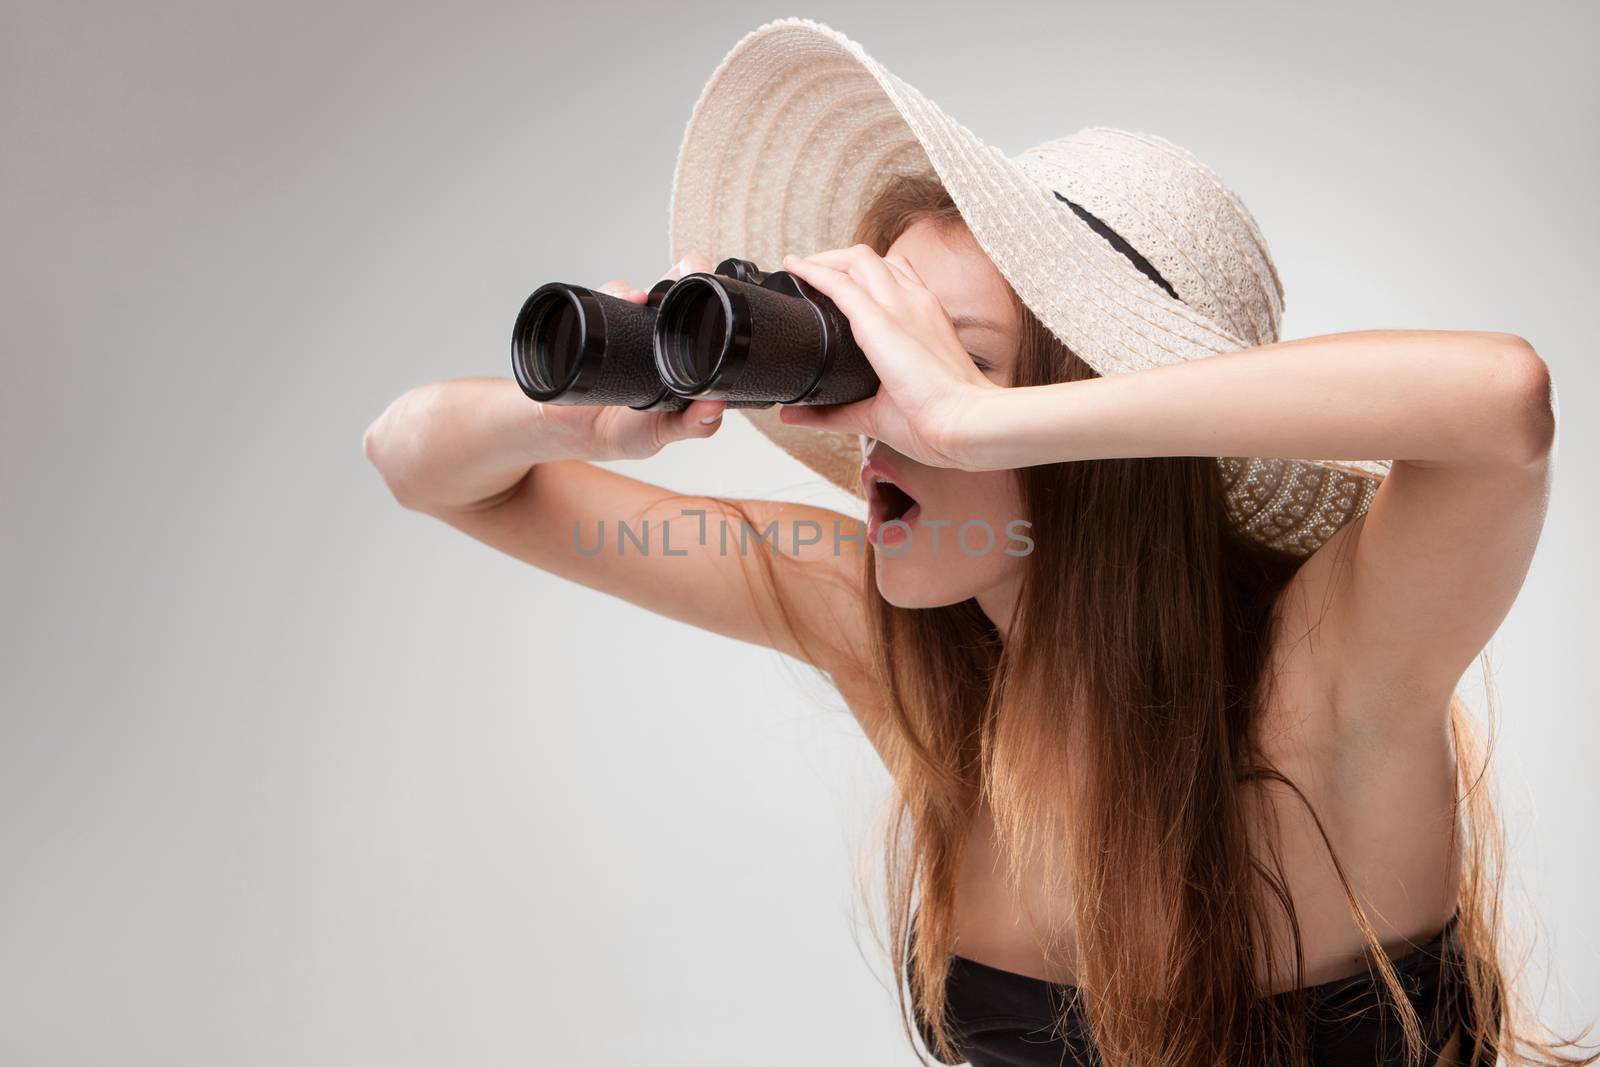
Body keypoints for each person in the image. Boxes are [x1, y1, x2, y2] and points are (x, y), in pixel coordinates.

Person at [364, 18, 1594, 1067]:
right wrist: (587, 416)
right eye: (872, 354)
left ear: (1083, 419)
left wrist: (973, 419)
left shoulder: (1324, 685)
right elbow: (417, 457)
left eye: (950, 362)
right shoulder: (898, 641)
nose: (881, 424)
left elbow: (1499, 406)